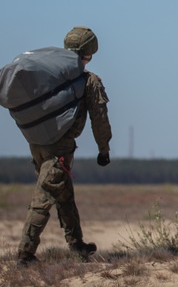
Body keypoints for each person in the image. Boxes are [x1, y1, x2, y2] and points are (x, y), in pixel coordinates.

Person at [17, 26, 112, 266]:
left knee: (65, 195)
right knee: (44, 197)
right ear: (88, 53)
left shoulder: (49, 74)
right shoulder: (89, 81)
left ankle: (77, 245)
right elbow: (99, 119)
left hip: (37, 145)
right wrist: (104, 150)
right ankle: (25, 255)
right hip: (59, 150)